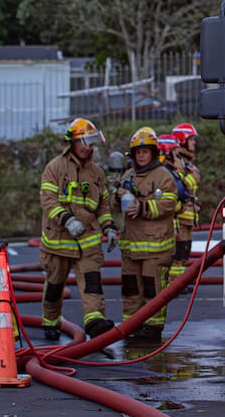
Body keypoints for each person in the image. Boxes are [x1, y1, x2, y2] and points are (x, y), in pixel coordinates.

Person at [38, 118, 119, 341]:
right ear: (72, 142)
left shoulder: (97, 174)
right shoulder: (55, 168)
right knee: (54, 286)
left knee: (92, 283)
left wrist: (109, 227)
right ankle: (51, 322)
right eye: (84, 142)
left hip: (88, 241)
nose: (88, 147)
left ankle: (95, 323)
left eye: (91, 143)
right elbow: (48, 201)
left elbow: (102, 206)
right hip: (58, 241)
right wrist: (67, 220)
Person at [116, 127, 178, 343]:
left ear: (153, 152)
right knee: (131, 289)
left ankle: (153, 328)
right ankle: (131, 325)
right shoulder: (128, 175)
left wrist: (141, 208)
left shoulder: (163, 176)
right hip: (131, 248)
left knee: (154, 290)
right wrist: (117, 197)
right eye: (137, 152)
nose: (141, 155)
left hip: (155, 247)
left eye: (145, 151)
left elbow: (169, 203)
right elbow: (116, 207)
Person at [168, 123, 201, 285]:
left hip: (187, 217)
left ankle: (179, 283)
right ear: (182, 140)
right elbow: (179, 186)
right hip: (179, 217)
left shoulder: (185, 161)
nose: (194, 143)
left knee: (184, 252)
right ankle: (172, 284)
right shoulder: (176, 161)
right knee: (178, 253)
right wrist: (192, 177)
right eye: (191, 140)